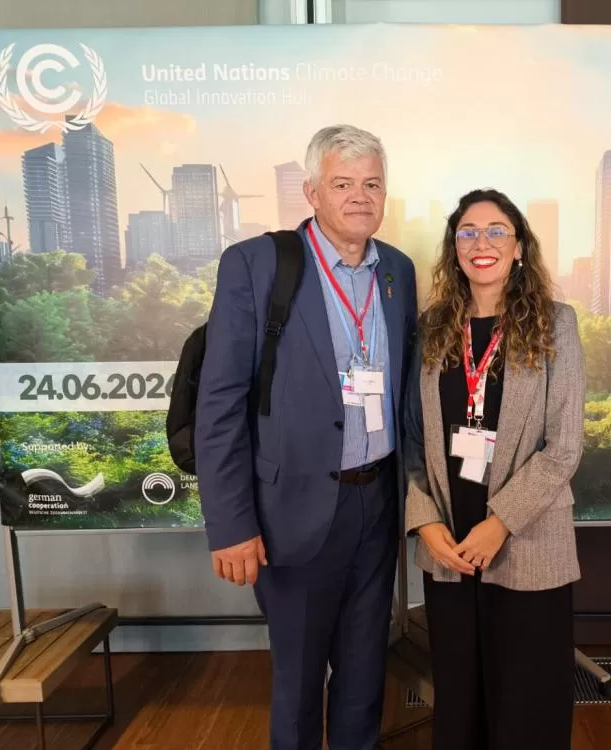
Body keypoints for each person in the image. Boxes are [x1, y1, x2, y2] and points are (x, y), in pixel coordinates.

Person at [195, 124, 418, 750]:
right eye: (342, 184)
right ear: (312, 192)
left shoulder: (398, 271)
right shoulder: (258, 264)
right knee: (298, 680)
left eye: (372, 184)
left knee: (365, 670)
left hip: (378, 501)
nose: (360, 196)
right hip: (291, 508)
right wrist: (230, 524)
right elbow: (220, 403)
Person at [404, 188, 585, 750]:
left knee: (527, 701)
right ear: (454, 247)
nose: (481, 242)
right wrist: (425, 522)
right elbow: (412, 438)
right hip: (450, 544)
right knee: (459, 699)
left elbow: (564, 445)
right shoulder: (431, 327)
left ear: (520, 246)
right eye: (468, 232)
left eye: (496, 231)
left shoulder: (555, 323)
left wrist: (499, 522)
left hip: (526, 539)